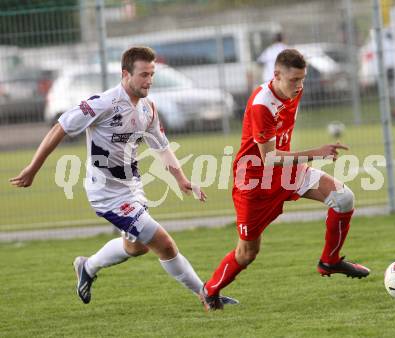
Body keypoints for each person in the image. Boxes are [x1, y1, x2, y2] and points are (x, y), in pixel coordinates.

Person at [10, 47, 238, 307]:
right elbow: (60, 127)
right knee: (164, 244)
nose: (149, 80)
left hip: (132, 189)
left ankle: (88, 266)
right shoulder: (103, 103)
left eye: (151, 74)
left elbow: (161, 146)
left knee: (136, 247)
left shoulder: (148, 109)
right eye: (143, 74)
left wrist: (181, 179)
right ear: (125, 74)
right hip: (106, 194)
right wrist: (33, 167)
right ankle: (207, 295)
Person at [199, 49, 370, 310]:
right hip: (255, 183)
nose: (299, 85)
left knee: (343, 197)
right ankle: (209, 291)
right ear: (276, 75)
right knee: (247, 254)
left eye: (303, 79)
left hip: (288, 172)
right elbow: (268, 158)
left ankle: (330, 261)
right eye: (294, 80)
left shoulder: (294, 90)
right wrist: (316, 153)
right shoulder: (261, 105)